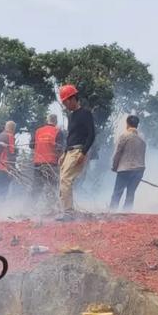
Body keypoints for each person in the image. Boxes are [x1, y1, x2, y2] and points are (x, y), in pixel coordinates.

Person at [58, 84, 96, 218]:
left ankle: (68, 213)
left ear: (73, 99)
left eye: (65, 102)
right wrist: (64, 153)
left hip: (78, 151)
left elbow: (91, 135)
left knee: (66, 179)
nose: (65, 105)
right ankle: (66, 210)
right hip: (69, 151)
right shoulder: (71, 116)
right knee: (63, 180)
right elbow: (71, 136)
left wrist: (83, 152)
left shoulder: (85, 114)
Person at [111, 115, 147, 211]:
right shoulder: (142, 137)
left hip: (124, 169)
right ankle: (127, 213)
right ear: (137, 125)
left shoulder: (124, 136)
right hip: (139, 169)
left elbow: (117, 153)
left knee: (117, 192)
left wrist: (114, 167)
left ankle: (111, 212)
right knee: (131, 193)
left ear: (127, 124)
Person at [31, 114, 63, 211]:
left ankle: (28, 207)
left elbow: (31, 145)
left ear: (47, 120)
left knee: (36, 187)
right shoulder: (58, 132)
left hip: (37, 163)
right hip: (51, 163)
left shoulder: (38, 131)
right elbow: (59, 148)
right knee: (52, 187)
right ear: (56, 121)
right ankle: (50, 208)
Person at [0, 121, 18, 202]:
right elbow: (11, 156)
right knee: (3, 191)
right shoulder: (10, 136)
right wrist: (11, 170)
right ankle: (1, 210)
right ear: (13, 129)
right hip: (4, 169)